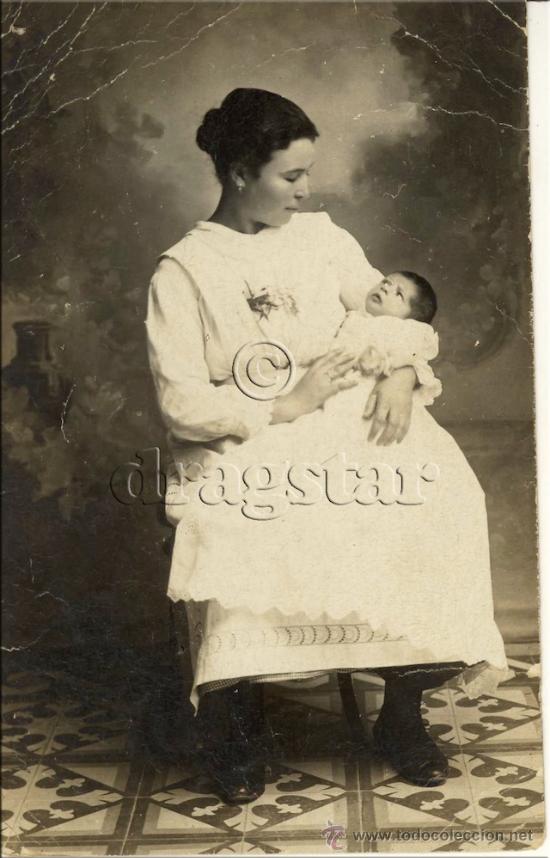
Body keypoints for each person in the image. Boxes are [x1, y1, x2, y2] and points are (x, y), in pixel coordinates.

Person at [146, 88, 508, 805]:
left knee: (438, 496)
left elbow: (396, 313)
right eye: (291, 175)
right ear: (240, 173)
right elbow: (181, 404)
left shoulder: (323, 239)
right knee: (264, 515)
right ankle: (235, 718)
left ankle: (402, 711)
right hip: (247, 431)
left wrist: (401, 373)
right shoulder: (184, 271)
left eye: (307, 173)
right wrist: (285, 405)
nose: (306, 190)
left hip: (348, 416)